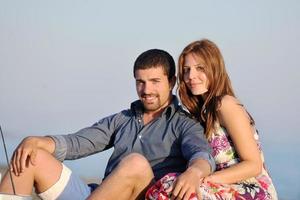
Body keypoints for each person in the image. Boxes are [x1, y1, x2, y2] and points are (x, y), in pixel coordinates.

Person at [0, 49, 216, 200]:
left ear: (171, 82)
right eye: (140, 82)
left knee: (136, 163)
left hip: (141, 196)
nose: (146, 90)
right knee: (31, 156)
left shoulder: (184, 124)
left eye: (155, 82)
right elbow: (78, 142)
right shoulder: (122, 119)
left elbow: (201, 154)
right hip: (98, 194)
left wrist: (194, 173)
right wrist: (37, 141)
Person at [146, 39, 278, 200]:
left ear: (214, 68)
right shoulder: (198, 114)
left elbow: (253, 165)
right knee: (168, 185)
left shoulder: (226, 104)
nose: (191, 76)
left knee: (181, 190)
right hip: (217, 186)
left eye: (199, 68)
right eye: (186, 70)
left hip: (248, 188)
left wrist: (205, 180)